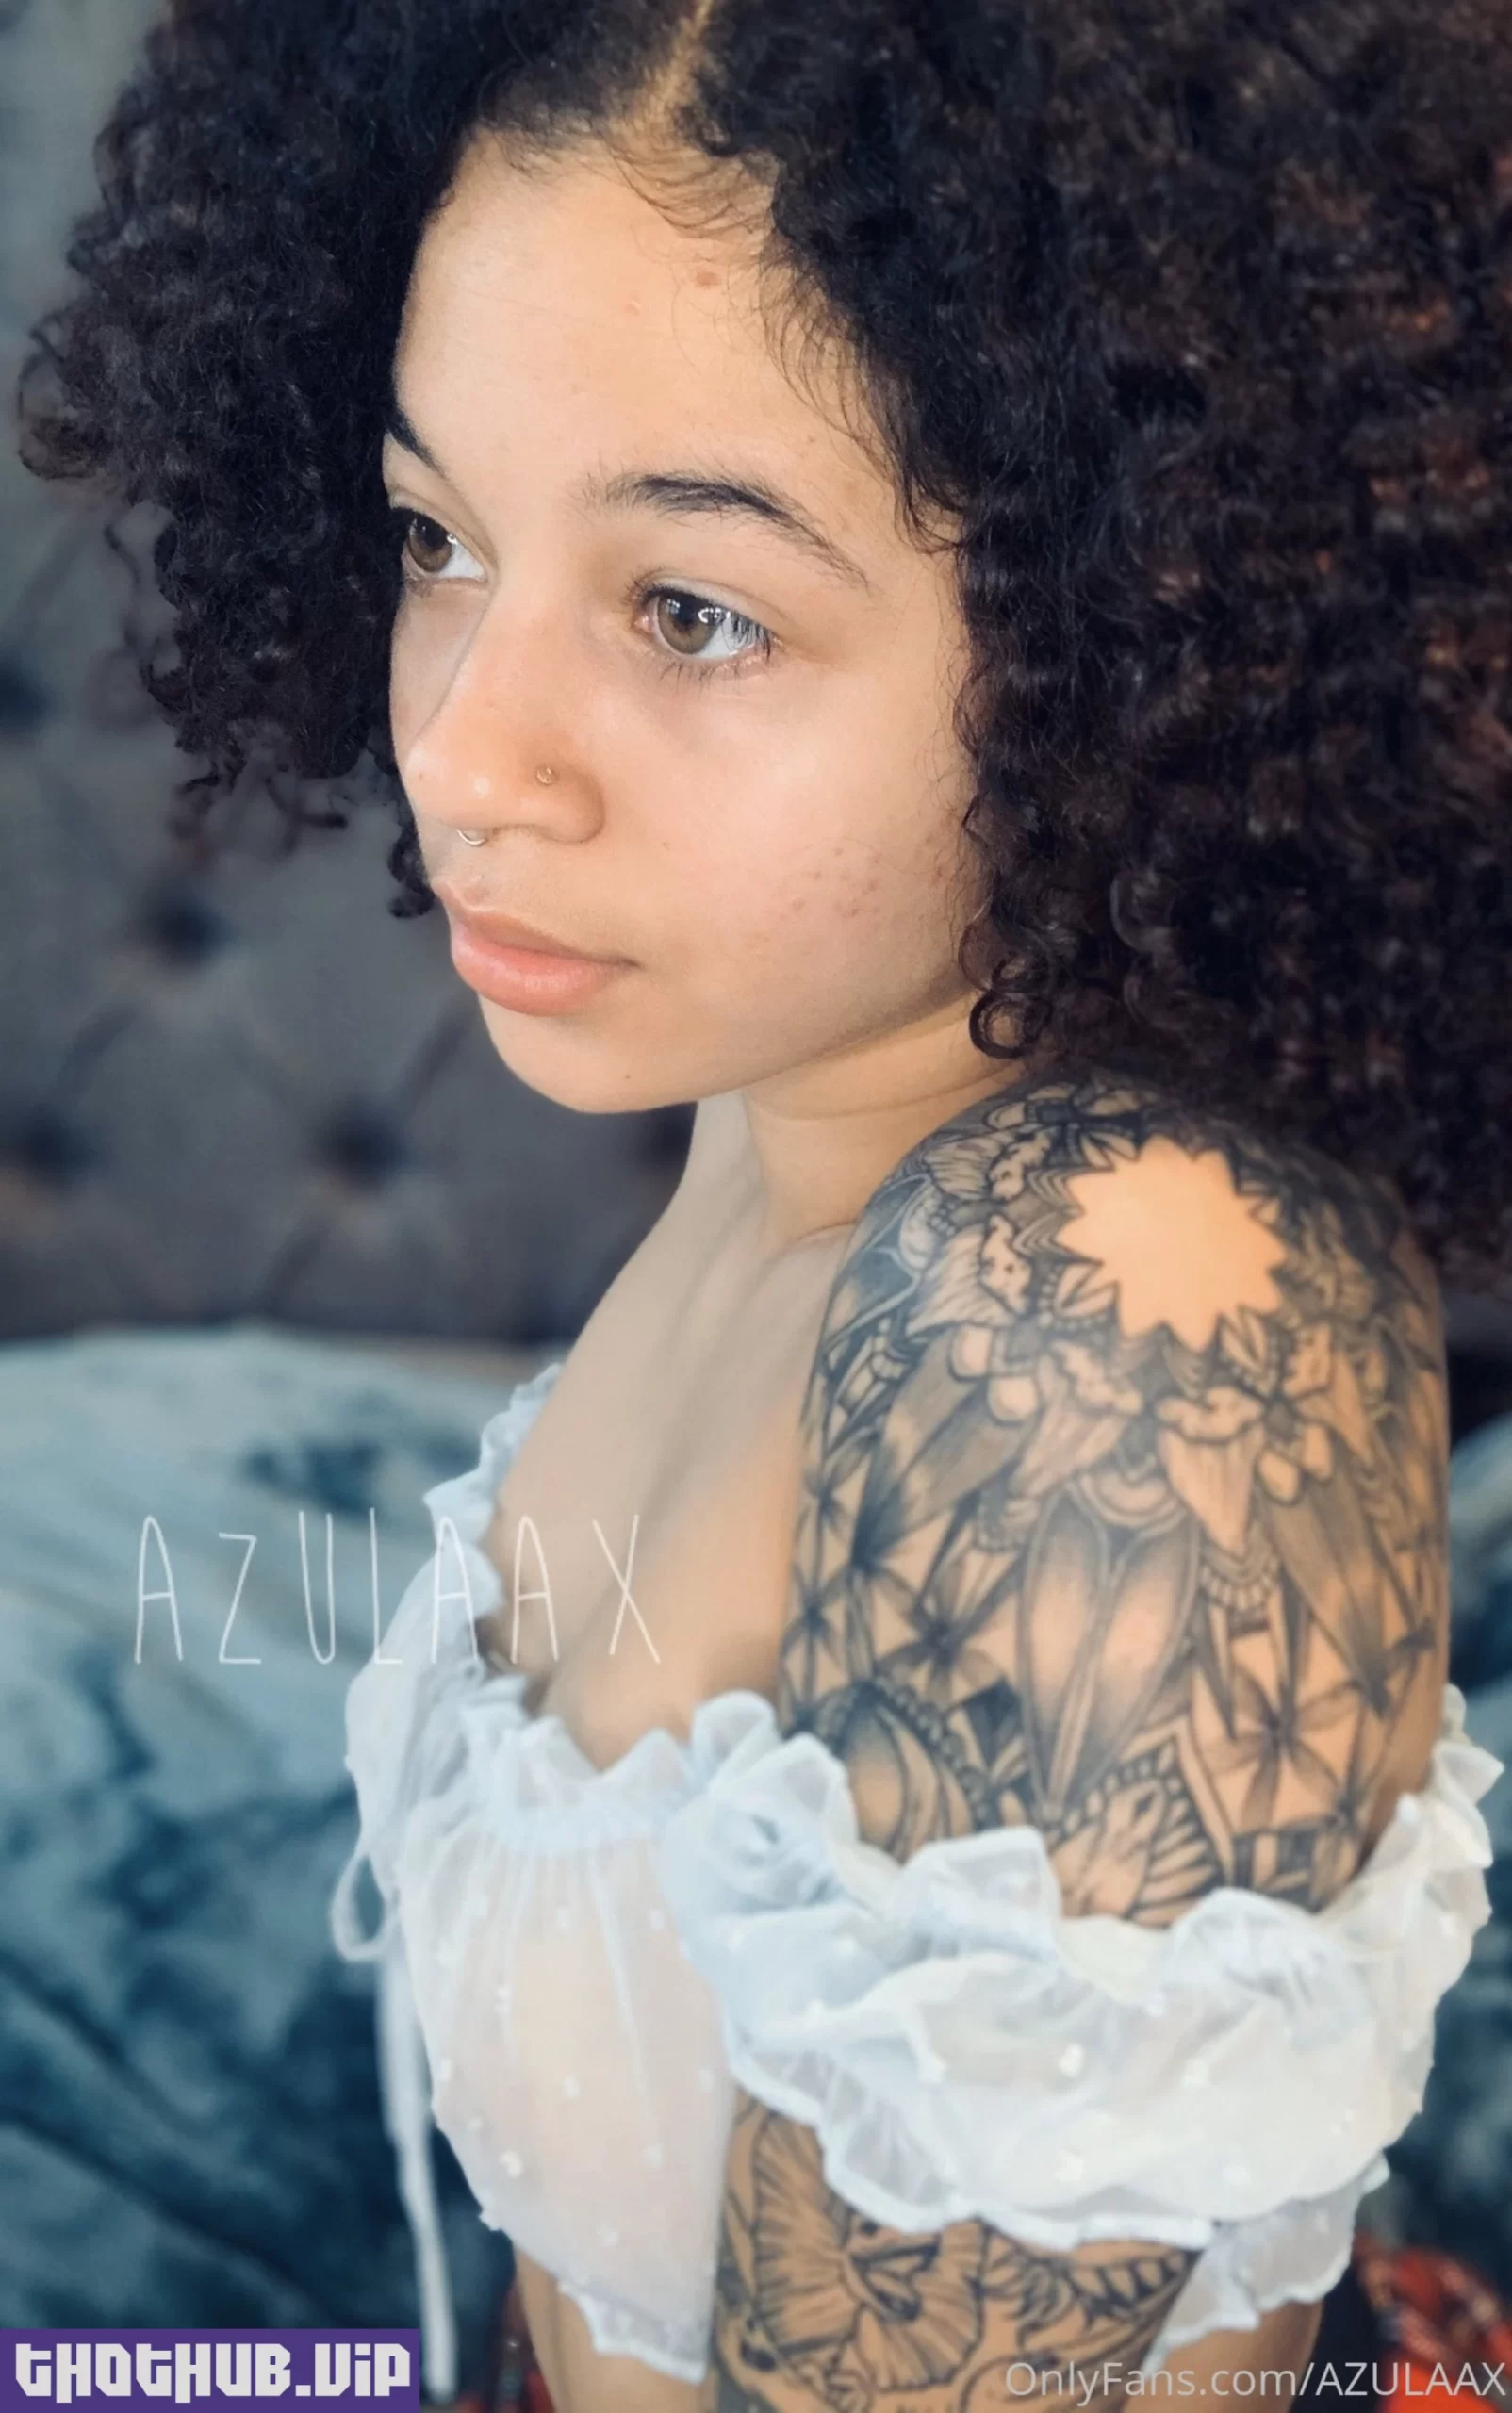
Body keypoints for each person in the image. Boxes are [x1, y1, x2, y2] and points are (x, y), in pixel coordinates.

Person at [21, 1, 1512, 2406]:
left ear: (1145, 622)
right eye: (435, 537)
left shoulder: (1101, 1324)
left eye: (691, 611)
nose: (466, 755)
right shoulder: (817, 1092)